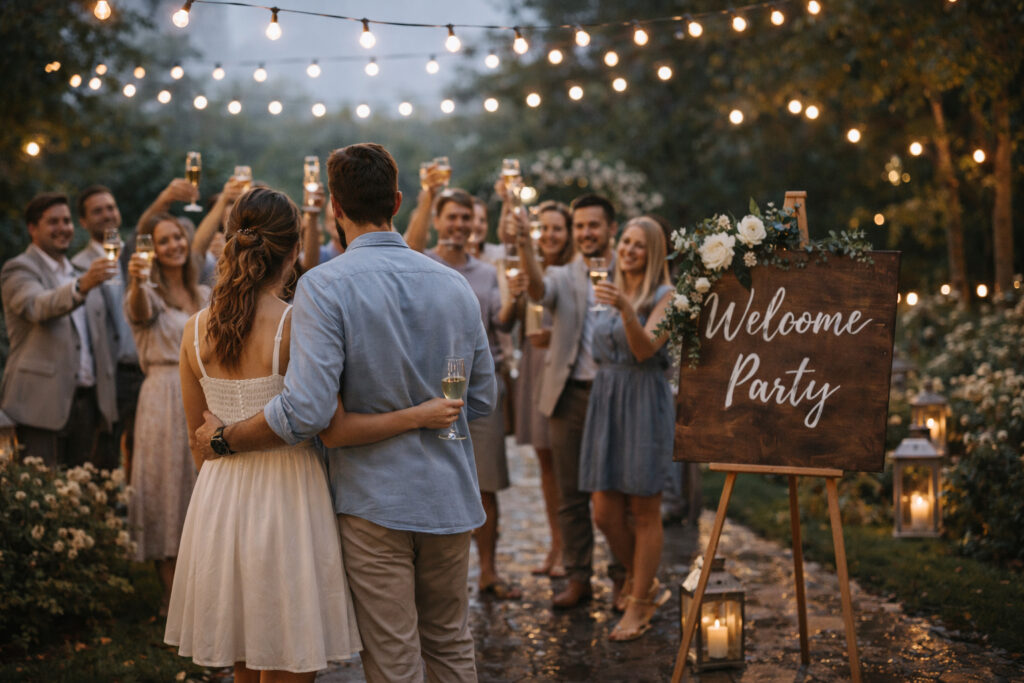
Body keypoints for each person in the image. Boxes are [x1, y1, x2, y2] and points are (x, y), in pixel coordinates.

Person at [192, 143, 497, 683]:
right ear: (398, 201)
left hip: (372, 501)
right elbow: (480, 399)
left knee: (394, 657)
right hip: (450, 494)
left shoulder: (325, 286)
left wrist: (226, 439)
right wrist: (423, 411)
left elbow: (306, 410)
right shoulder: (454, 284)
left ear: (335, 207)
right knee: (450, 644)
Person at [169, 187, 417, 681]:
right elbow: (324, 420)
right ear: (294, 250)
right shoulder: (296, 323)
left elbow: (198, 439)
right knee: (289, 659)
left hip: (219, 501)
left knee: (243, 661)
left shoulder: (194, 331)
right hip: (290, 500)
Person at [405, 187, 523, 600]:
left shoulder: (489, 272)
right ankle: (435, 574)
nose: (459, 225)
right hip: (431, 387)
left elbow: (502, 325)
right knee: (433, 477)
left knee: (485, 483)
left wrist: (517, 298)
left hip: (479, 385)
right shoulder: (420, 264)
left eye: (465, 218)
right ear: (438, 221)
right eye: (451, 217)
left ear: (475, 224)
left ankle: (488, 570)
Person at [516, 193, 626, 609]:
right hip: (569, 396)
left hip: (614, 396)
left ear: (612, 228)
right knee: (570, 495)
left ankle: (622, 578)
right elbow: (537, 289)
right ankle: (580, 577)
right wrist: (527, 244)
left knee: (617, 491)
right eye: (579, 226)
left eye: (593, 225)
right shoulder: (563, 274)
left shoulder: (628, 270)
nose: (585, 233)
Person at [579, 217, 675, 641]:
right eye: (626, 243)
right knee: (604, 511)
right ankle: (647, 585)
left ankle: (638, 605)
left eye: (640, 245)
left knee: (644, 507)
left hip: (643, 398)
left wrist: (624, 308)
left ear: (653, 252)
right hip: (608, 396)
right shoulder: (606, 290)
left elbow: (643, 349)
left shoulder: (668, 296)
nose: (629, 250)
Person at [124, 212, 209, 615]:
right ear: (152, 251)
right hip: (161, 396)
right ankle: (172, 597)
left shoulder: (202, 294)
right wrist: (138, 280)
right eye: (163, 240)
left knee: (195, 486)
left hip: (202, 394)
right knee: (163, 487)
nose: (173, 245)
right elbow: (138, 311)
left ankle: (201, 588)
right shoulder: (146, 295)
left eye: (178, 237)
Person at [0, 192, 119, 468]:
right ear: (32, 228)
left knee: (82, 495)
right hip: (40, 406)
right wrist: (82, 286)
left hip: (87, 405)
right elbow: (38, 306)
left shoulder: (78, 270)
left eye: (66, 221)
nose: (63, 228)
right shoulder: (18, 269)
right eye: (53, 222)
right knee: (44, 497)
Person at [506, 200, 575, 578]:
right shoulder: (531, 269)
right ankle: (556, 544)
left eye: (557, 229)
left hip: (562, 364)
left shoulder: (575, 271)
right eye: (543, 229)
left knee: (567, 465)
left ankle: (573, 548)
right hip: (534, 363)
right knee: (546, 462)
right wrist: (515, 294)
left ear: (568, 233)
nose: (549, 235)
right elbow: (513, 318)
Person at [72, 185, 143, 471]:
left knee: (144, 452)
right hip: (108, 374)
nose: (107, 215)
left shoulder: (136, 257)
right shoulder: (78, 266)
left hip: (143, 370)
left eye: (110, 208)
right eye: (97, 211)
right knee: (106, 453)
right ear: (84, 222)